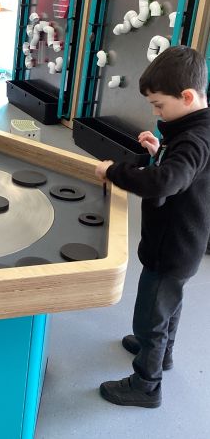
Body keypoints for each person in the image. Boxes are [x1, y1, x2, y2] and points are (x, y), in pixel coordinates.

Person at [95, 46, 210, 408]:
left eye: (159, 105)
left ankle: (146, 385)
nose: (156, 112)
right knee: (169, 305)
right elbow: (185, 169)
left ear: (187, 96)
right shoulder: (198, 128)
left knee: (150, 316)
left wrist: (114, 171)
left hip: (170, 247)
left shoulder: (193, 139)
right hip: (185, 243)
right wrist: (159, 150)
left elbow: (165, 182)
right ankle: (163, 353)